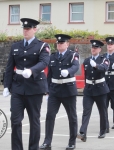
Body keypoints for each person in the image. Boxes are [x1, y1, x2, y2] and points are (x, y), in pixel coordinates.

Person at [3, 18, 50, 150]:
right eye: (24, 28)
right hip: (18, 88)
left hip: (34, 88)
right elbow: (9, 67)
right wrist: (6, 85)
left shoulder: (42, 46)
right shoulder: (15, 46)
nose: (25, 31)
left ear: (35, 29)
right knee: (15, 121)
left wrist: (31, 70)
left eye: (28, 29)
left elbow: (44, 62)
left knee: (34, 121)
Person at [39, 34, 79, 150]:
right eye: (58, 43)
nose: (59, 45)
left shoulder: (73, 55)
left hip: (68, 90)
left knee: (72, 117)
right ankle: (47, 142)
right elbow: (49, 74)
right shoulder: (53, 57)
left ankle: (72, 142)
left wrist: (69, 71)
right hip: (55, 91)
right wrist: (47, 90)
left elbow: (75, 67)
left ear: (67, 44)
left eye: (62, 43)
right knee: (50, 116)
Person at [77, 40, 110, 141]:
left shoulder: (104, 59)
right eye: (92, 48)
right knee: (86, 111)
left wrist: (96, 65)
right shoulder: (87, 60)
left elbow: (104, 68)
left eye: (95, 48)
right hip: (89, 89)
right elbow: (86, 75)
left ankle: (103, 130)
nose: (93, 49)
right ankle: (83, 132)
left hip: (100, 89)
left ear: (100, 49)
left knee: (102, 111)